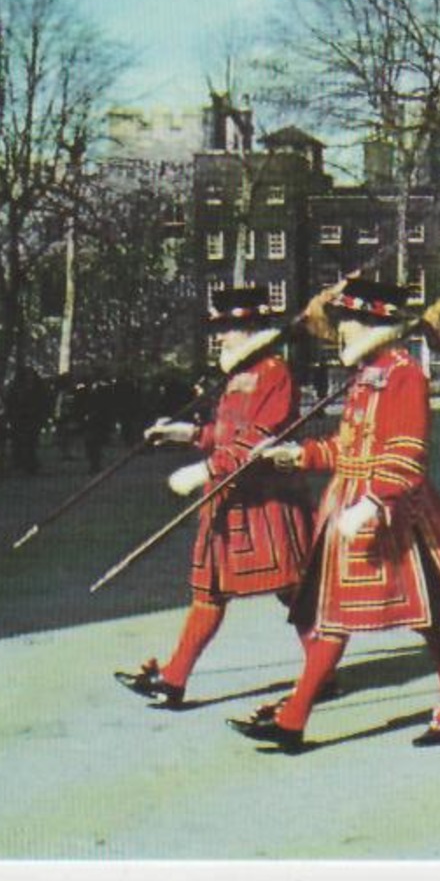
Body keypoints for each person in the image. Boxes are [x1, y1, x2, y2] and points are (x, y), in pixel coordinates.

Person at [239, 278, 440, 751]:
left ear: (373, 321)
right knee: (344, 614)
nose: (341, 330)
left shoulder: (404, 373)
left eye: (349, 320)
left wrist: (375, 502)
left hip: (389, 509)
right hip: (350, 503)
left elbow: (408, 452)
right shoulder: (367, 372)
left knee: (420, 614)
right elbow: (348, 446)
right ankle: (295, 718)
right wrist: (298, 453)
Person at [116, 287, 316, 709]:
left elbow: (261, 440)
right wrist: (186, 434)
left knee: (294, 590)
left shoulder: (274, 373)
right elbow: (224, 437)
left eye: (226, 329)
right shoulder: (237, 374)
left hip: (264, 501)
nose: (220, 338)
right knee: (208, 591)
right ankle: (173, 679)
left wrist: (204, 469)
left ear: (248, 329)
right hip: (226, 499)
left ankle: (321, 672)